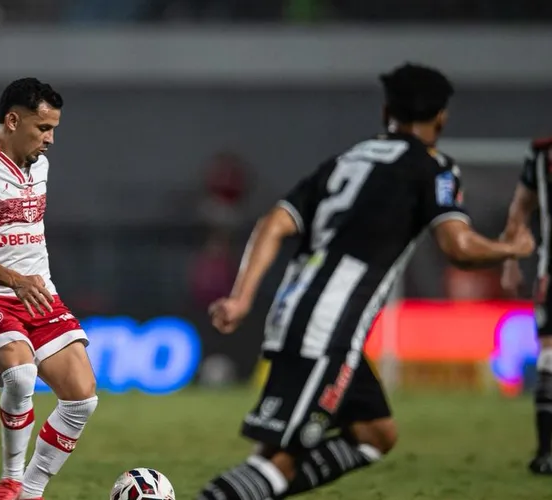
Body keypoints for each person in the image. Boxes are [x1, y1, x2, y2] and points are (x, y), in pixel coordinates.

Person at [196, 62, 535, 500]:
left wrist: (242, 298)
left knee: (375, 433)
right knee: (278, 456)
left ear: (385, 111)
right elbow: (459, 248)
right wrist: (512, 247)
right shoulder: (433, 169)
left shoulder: (346, 162)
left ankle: (262, 490)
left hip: (305, 315)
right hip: (325, 328)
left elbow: (273, 223)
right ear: (441, 118)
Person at [0, 78, 97, 500]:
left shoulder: (40, 165)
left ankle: (30, 493)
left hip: (37, 290)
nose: (50, 139)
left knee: (82, 399)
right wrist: (11, 281)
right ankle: (10, 481)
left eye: (53, 130)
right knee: (19, 373)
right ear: (12, 121)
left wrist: (29, 281)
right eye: (42, 128)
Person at [499, 135, 552, 474]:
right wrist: (510, 260)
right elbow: (520, 208)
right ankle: (547, 452)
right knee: (549, 356)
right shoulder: (541, 154)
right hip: (551, 273)